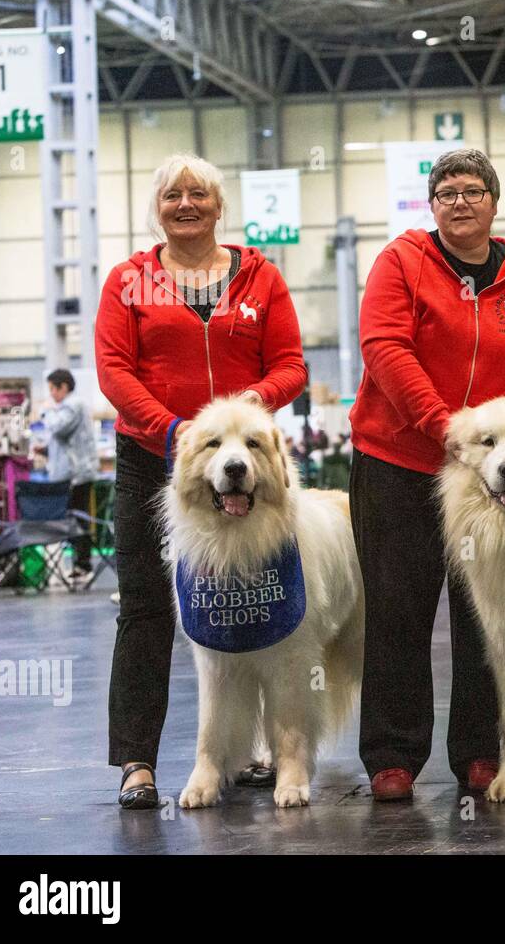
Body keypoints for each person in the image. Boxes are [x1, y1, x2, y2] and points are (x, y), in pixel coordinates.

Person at [350, 148, 505, 800]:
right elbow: (384, 348)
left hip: (494, 483)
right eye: (446, 191)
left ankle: (481, 752)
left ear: (494, 202)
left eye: (472, 190)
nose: (459, 200)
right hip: (400, 465)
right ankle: (392, 757)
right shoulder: (400, 264)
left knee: (488, 615)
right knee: (397, 612)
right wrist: (444, 427)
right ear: (432, 204)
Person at [95, 152, 307, 809]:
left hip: (249, 465)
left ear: (219, 207)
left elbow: (291, 365)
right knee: (148, 607)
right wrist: (176, 433)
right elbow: (113, 370)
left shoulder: (262, 276)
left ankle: (268, 749)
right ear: (156, 209)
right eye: (171, 196)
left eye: (199, 195)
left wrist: (240, 418)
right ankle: (137, 762)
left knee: (263, 604)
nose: (186, 205)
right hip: (153, 460)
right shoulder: (128, 280)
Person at [36, 368, 99, 584]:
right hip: (71, 474)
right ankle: (79, 566)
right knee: (73, 519)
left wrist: (45, 412)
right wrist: (45, 450)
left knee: (78, 519)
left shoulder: (73, 404)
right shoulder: (67, 407)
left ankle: (84, 565)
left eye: (53, 388)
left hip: (77, 475)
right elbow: (63, 439)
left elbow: (59, 427)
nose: (51, 394)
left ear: (64, 387)